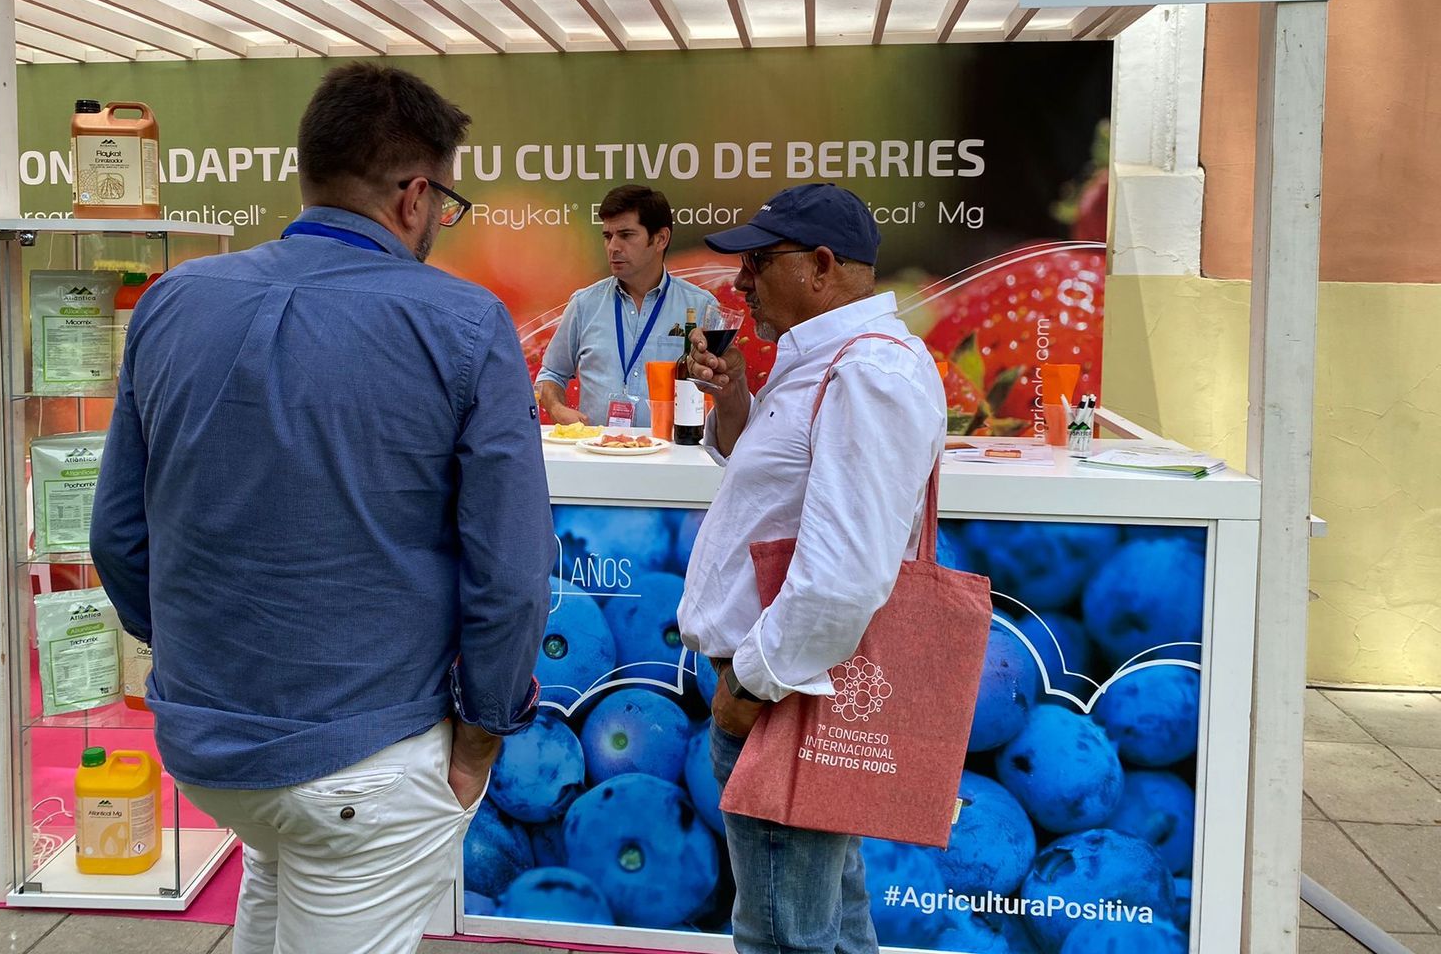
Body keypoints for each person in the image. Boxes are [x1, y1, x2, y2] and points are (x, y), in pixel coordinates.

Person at [91, 63, 556, 954]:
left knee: (276, 879)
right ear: (416, 195)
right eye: (444, 202)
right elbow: (512, 570)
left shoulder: (172, 302)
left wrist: (197, 655)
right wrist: (483, 738)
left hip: (210, 744)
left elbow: (116, 534)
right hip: (366, 757)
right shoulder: (463, 324)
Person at [676, 184, 945, 954]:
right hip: (792, 685)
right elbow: (779, 494)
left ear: (822, 265)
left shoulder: (867, 375)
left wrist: (747, 688)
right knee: (829, 921)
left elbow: (845, 576)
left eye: (759, 263)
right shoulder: (831, 362)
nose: (741, 283)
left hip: (785, 696)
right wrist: (736, 406)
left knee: (782, 935)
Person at [535, 184, 717, 428]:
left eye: (626, 235)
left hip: (674, 457)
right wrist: (557, 409)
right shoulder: (584, 304)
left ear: (660, 238)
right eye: (608, 236)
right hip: (599, 455)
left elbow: (720, 386)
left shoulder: (701, 306)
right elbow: (551, 374)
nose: (613, 247)